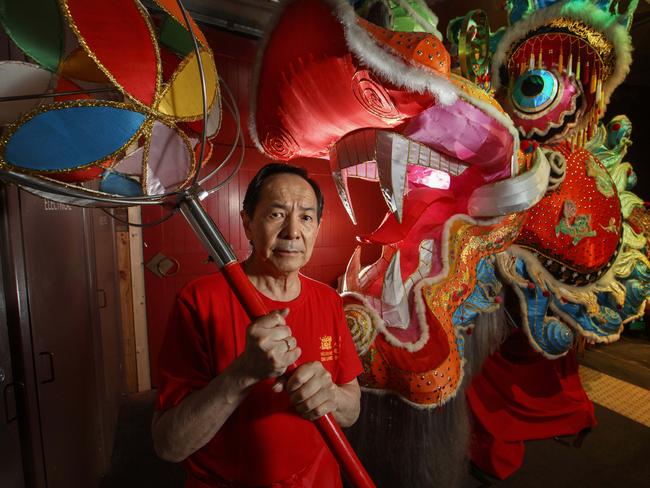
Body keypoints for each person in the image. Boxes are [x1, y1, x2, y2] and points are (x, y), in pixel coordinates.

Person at [152, 163, 363, 488]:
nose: (293, 231)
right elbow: (169, 444)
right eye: (276, 214)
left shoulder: (328, 300)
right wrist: (242, 373)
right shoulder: (200, 300)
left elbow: (352, 408)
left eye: (306, 217)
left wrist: (331, 396)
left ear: (317, 228)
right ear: (248, 223)